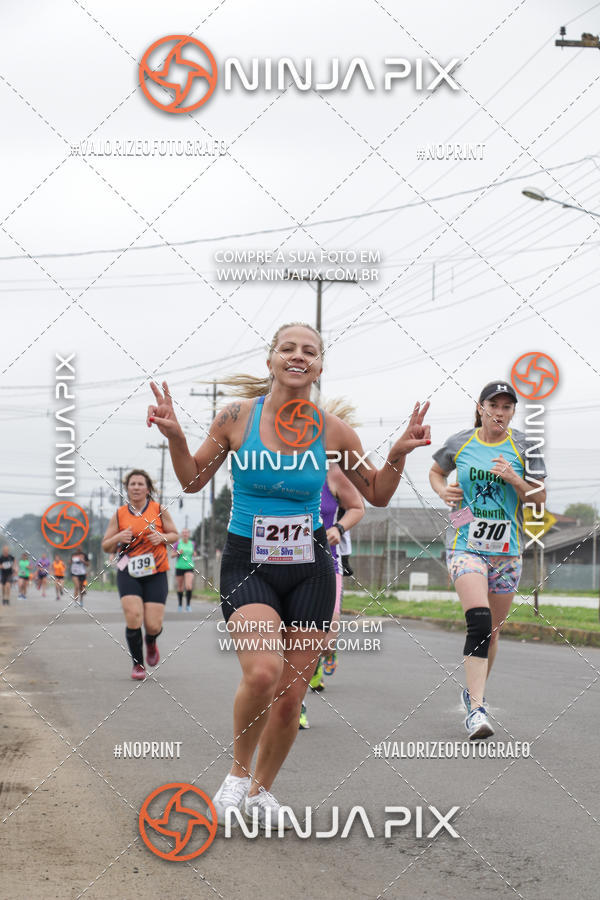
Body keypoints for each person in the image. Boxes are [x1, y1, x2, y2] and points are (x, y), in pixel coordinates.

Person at [147, 321, 430, 827]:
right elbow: (191, 480)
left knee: (290, 697)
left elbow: (377, 494)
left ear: (320, 366)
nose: (298, 356)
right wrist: (175, 436)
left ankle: (261, 791)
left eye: (310, 351)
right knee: (261, 673)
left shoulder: (333, 431)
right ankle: (236, 777)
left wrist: (398, 453)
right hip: (246, 561)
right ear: (271, 358)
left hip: (310, 568)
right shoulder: (236, 417)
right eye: (288, 348)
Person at [429, 380, 547, 740]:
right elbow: (436, 471)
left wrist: (514, 479)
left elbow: (539, 498)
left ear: (513, 412)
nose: (499, 413)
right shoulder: (460, 442)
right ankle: (477, 711)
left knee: (492, 633)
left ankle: (472, 694)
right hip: (465, 541)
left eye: (507, 407)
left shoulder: (526, 446)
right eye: (493, 406)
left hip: (507, 548)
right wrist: (444, 491)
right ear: (480, 408)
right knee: (478, 623)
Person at [299, 462, 364, 729]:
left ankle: (325, 654)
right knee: (295, 640)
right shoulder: (276, 467)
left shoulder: (332, 473)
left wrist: (338, 527)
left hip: (328, 565)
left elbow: (357, 507)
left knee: (326, 639)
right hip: (287, 564)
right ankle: (296, 705)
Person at [102, 469, 178, 680]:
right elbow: (106, 546)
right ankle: (138, 664)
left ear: (148, 488)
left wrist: (162, 537)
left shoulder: (159, 509)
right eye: (132, 484)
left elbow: (174, 534)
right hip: (129, 572)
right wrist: (118, 536)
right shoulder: (119, 514)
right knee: (134, 616)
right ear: (127, 488)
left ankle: (151, 641)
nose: (136, 487)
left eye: (140, 484)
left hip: (156, 572)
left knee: (153, 624)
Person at [172, 528, 196, 611]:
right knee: (180, 587)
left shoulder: (192, 543)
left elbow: (194, 553)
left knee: (188, 586)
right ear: (181, 534)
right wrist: (178, 552)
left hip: (189, 567)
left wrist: (194, 553)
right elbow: (172, 555)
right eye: (183, 533)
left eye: (186, 533)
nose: (185, 534)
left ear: (189, 534)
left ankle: (188, 605)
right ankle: (180, 605)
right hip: (179, 567)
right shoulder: (177, 543)